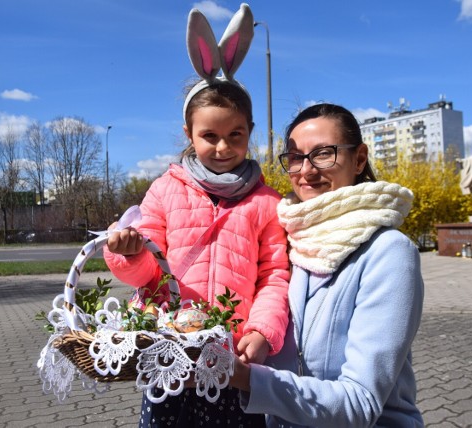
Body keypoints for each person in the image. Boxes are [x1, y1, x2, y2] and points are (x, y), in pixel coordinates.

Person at [104, 4, 289, 427]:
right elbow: (145, 274)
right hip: (167, 355)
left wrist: (262, 333)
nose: (223, 147)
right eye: (210, 136)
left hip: (233, 358)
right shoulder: (165, 190)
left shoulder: (266, 202)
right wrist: (130, 254)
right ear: (189, 133)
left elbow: (275, 276)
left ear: (250, 132)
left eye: (234, 135)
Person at [229, 103, 425, 427]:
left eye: (323, 153)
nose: (306, 170)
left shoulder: (388, 253)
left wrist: (248, 379)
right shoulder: (283, 241)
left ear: (359, 159)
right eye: (295, 157)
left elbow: (359, 404)